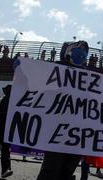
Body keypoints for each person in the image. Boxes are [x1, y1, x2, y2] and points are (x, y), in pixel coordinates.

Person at [37, 41, 89, 180]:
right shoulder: (56, 68)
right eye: (78, 49)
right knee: (50, 170)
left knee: (68, 171)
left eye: (84, 50)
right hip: (56, 130)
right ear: (68, 52)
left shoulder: (90, 76)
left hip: (77, 134)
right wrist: (22, 71)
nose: (81, 52)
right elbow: (36, 81)